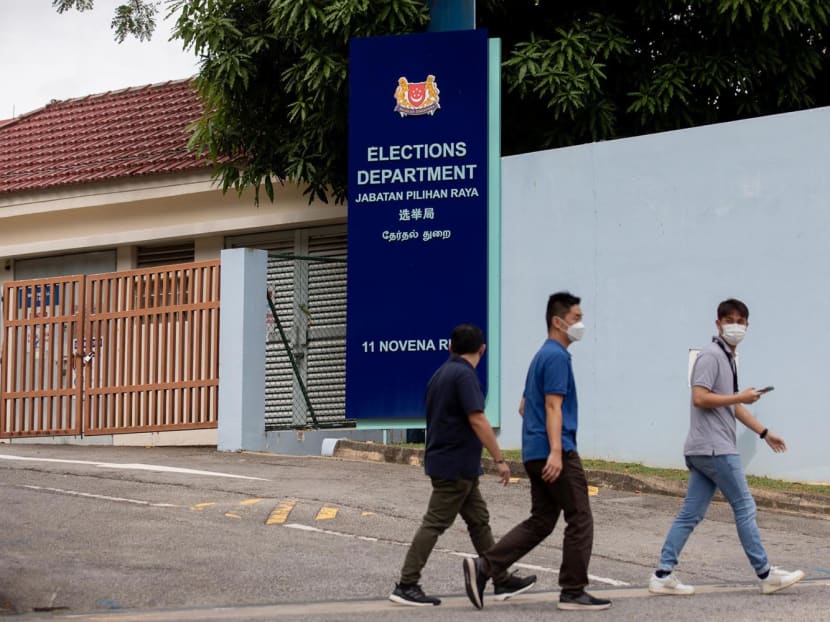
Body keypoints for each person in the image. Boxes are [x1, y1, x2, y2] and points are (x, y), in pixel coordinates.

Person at [463, 292, 612, 611]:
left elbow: (523, 406)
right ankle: (573, 591)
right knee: (580, 517)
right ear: (558, 322)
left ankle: (485, 566)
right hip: (554, 452)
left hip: (534, 451)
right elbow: (552, 406)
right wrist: (556, 451)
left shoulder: (541, 356)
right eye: (576, 318)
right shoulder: (557, 357)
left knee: (542, 520)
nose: (581, 324)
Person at [648, 298, 804, 596]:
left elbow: (732, 406)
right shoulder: (711, 356)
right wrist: (738, 397)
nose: (735, 326)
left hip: (703, 449)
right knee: (745, 506)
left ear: (747, 325)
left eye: (740, 321)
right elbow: (700, 398)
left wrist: (764, 433)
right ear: (718, 324)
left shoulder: (726, 357)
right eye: (729, 320)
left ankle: (662, 575)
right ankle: (766, 574)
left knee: (690, 514)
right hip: (715, 448)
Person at [389, 323, 537, 606]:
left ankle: (501, 578)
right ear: (482, 349)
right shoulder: (464, 376)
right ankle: (407, 584)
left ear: (450, 347)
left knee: (479, 521)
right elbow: (477, 419)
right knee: (434, 523)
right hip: (454, 467)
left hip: (456, 466)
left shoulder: (440, 374)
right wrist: (500, 460)